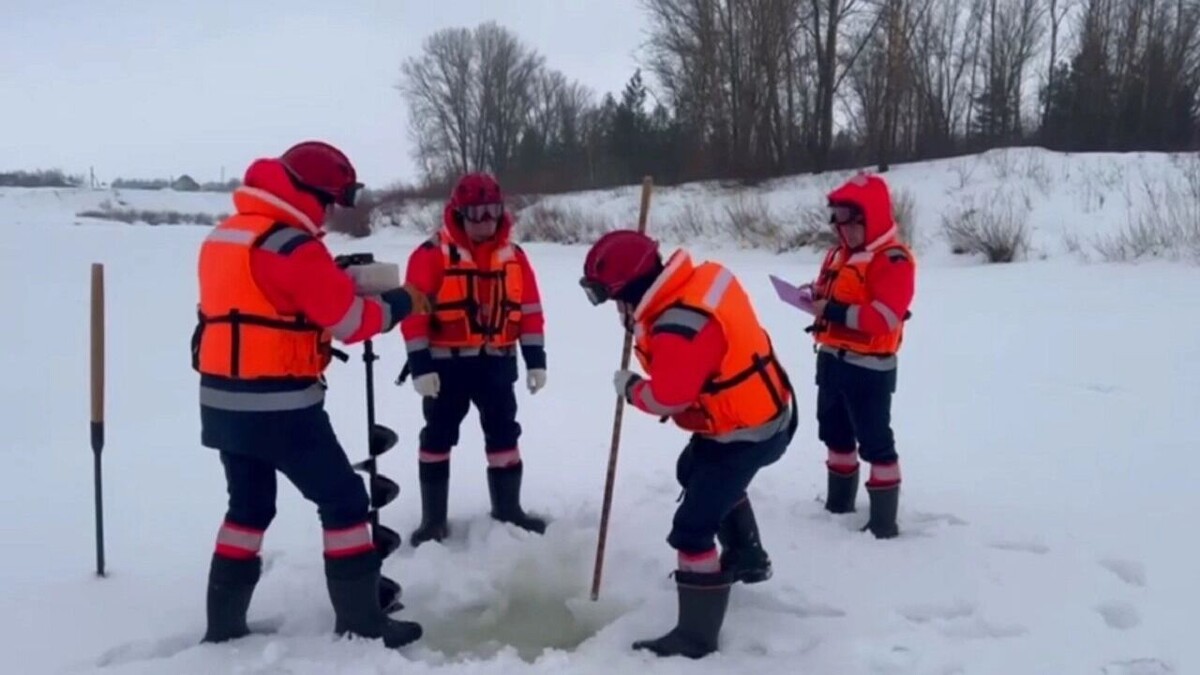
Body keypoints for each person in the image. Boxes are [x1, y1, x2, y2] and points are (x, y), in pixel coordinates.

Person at [193, 140, 429, 649]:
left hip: (221, 403)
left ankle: (224, 625)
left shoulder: (226, 236)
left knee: (248, 509)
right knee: (344, 502)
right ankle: (363, 625)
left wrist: (330, 281)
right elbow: (350, 322)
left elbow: (259, 301)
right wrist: (400, 301)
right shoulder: (294, 247)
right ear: (309, 194)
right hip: (281, 406)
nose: (327, 214)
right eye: (327, 202)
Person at [580, 230, 797, 659]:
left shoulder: (681, 326)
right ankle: (748, 555)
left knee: (692, 529)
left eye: (616, 301)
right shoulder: (699, 283)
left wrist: (631, 389)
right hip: (756, 413)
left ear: (633, 291)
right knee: (691, 472)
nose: (617, 312)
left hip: (747, 433)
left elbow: (669, 397)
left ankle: (696, 638)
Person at [399, 172, 548, 546]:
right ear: (459, 213)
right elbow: (414, 315)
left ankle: (508, 509)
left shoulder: (515, 256)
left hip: (496, 362)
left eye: (491, 211)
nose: (484, 221)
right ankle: (432, 521)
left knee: (504, 434)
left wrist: (536, 359)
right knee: (437, 437)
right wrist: (420, 366)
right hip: (445, 367)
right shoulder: (431, 254)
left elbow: (529, 311)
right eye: (475, 212)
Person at [804, 173, 916, 538]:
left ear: (872, 218)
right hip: (832, 360)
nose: (846, 231)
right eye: (839, 221)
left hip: (869, 369)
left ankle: (883, 524)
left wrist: (831, 310)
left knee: (876, 442)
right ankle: (838, 505)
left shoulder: (893, 259)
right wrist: (813, 296)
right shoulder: (839, 254)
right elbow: (833, 292)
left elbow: (884, 318)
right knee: (834, 434)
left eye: (852, 222)